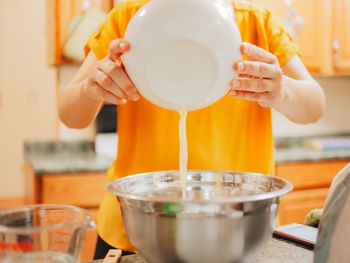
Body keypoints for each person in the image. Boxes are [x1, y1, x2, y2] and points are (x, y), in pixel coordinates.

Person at [58, 0, 325, 259]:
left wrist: (282, 90)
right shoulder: (128, 19)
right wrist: (90, 90)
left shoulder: (258, 23)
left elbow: (314, 106)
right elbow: (69, 114)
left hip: (238, 233)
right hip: (133, 232)